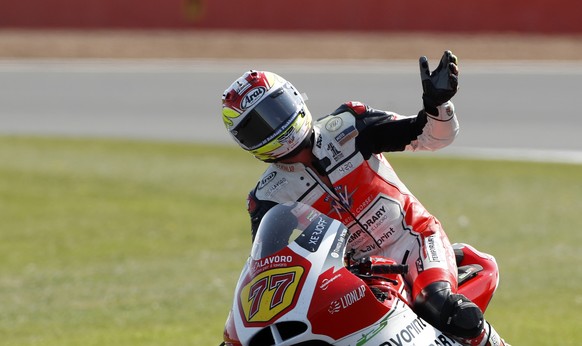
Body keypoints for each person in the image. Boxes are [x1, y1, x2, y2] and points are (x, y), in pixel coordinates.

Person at [221, 51, 508, 346]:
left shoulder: (349, 123)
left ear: (294, 98)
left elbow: (432, 137)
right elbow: (272, 266)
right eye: (257, 126)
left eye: (276, 111)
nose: (274, 126)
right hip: (362, 272)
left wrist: (437, 104)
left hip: (415, 242)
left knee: (442, 305)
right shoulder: (267, 194)